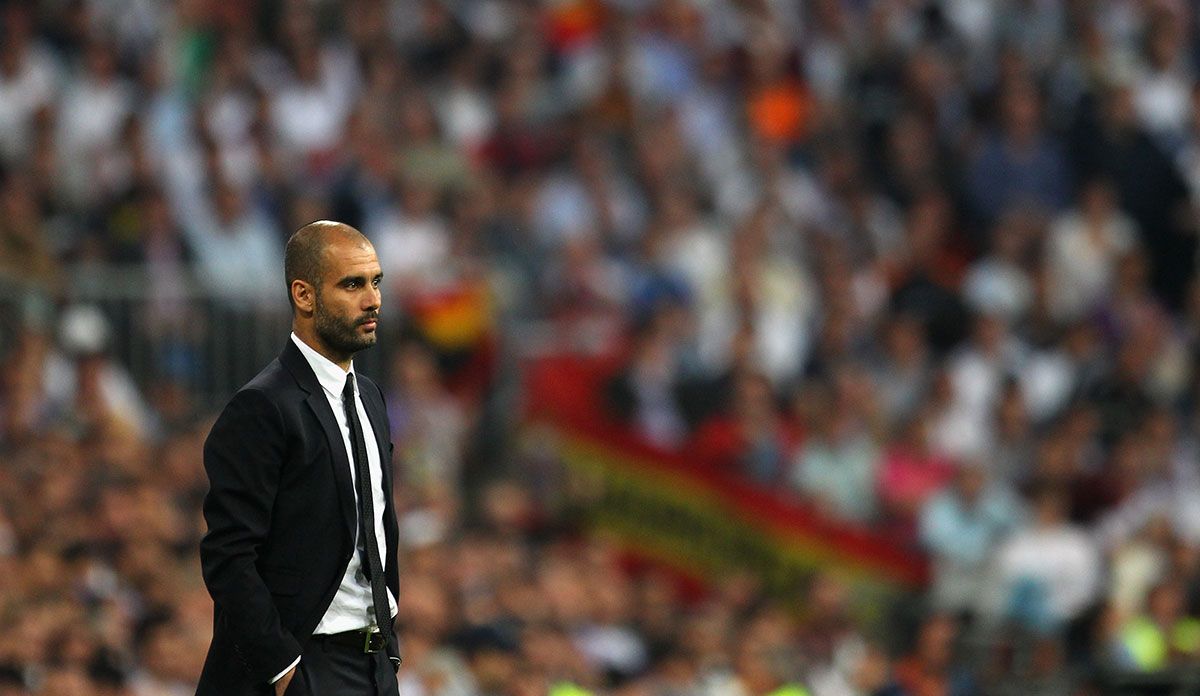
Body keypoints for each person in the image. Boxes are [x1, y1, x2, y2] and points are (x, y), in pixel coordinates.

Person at [196, 221, 401, 696]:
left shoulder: (370, 397)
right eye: (352, 284)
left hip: (374, 666)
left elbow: (376, 525)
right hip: (305, 666)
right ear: (304, 296)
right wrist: (284, 668)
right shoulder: (263, 407)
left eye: (376, 282)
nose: (372, 300)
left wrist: (388, 645)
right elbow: (227, 555)